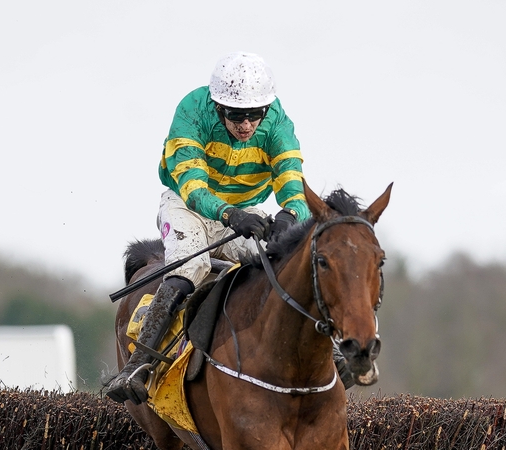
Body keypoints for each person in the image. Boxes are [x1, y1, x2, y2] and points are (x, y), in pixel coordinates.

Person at [107, 52, 350, 405]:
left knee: (280, 266)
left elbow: (293, 182)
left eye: (255, 115)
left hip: (244, 209)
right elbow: (192, 185)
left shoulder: (278, 122)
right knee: (192, 266)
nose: (246, 125)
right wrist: (229, 215)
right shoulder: (192, 111)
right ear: (219, 107)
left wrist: (289, 214)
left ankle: (333, 351)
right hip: (187, 205)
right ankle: (139, 363)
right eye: (237, 115)